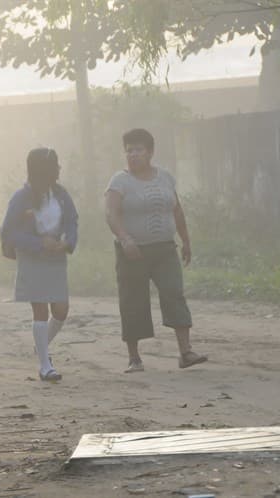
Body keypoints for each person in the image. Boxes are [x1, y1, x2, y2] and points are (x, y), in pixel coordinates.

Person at [105, 128, 207, 373]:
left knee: (174, 293)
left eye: (138, 150)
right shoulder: (119, 181)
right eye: (129, 151)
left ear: (150, 152)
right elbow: (111, 214)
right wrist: (125, 238)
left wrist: (186, 240)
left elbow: (177, 210)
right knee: (133, 300)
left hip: (164, 249)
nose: (133, 155)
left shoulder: (165, 177)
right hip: (132, 252)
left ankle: (185, 352)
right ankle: (134, 358)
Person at [0, 147, 78, 381]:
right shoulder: (21, 197)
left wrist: (67, 242)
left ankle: (41, 344)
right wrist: (38, 242)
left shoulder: (61, 194)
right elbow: (8, 232)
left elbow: (72, 220)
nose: (57, 170)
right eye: (53, 166)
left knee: (61, 309)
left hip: (56, 257)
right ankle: (45, 366)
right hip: (32, 258)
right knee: (40, 310)